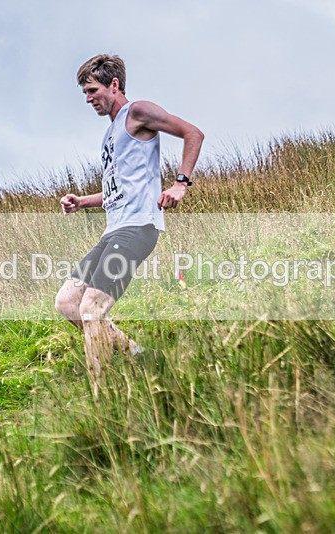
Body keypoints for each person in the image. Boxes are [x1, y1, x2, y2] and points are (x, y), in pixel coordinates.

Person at [54, 54, 204, 376]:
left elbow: (193, 133)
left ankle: (103, 392)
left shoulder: (137, 112)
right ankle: (140, 355)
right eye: (85, 93)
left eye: (92, 90)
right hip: (113, 230)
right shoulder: (109, 134)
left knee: (92, 308)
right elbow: (119, 190)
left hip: (137, 228)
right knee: (67, 302)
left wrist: (180, 184)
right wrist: (82, 202)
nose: (88, 99)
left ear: (114, 84)